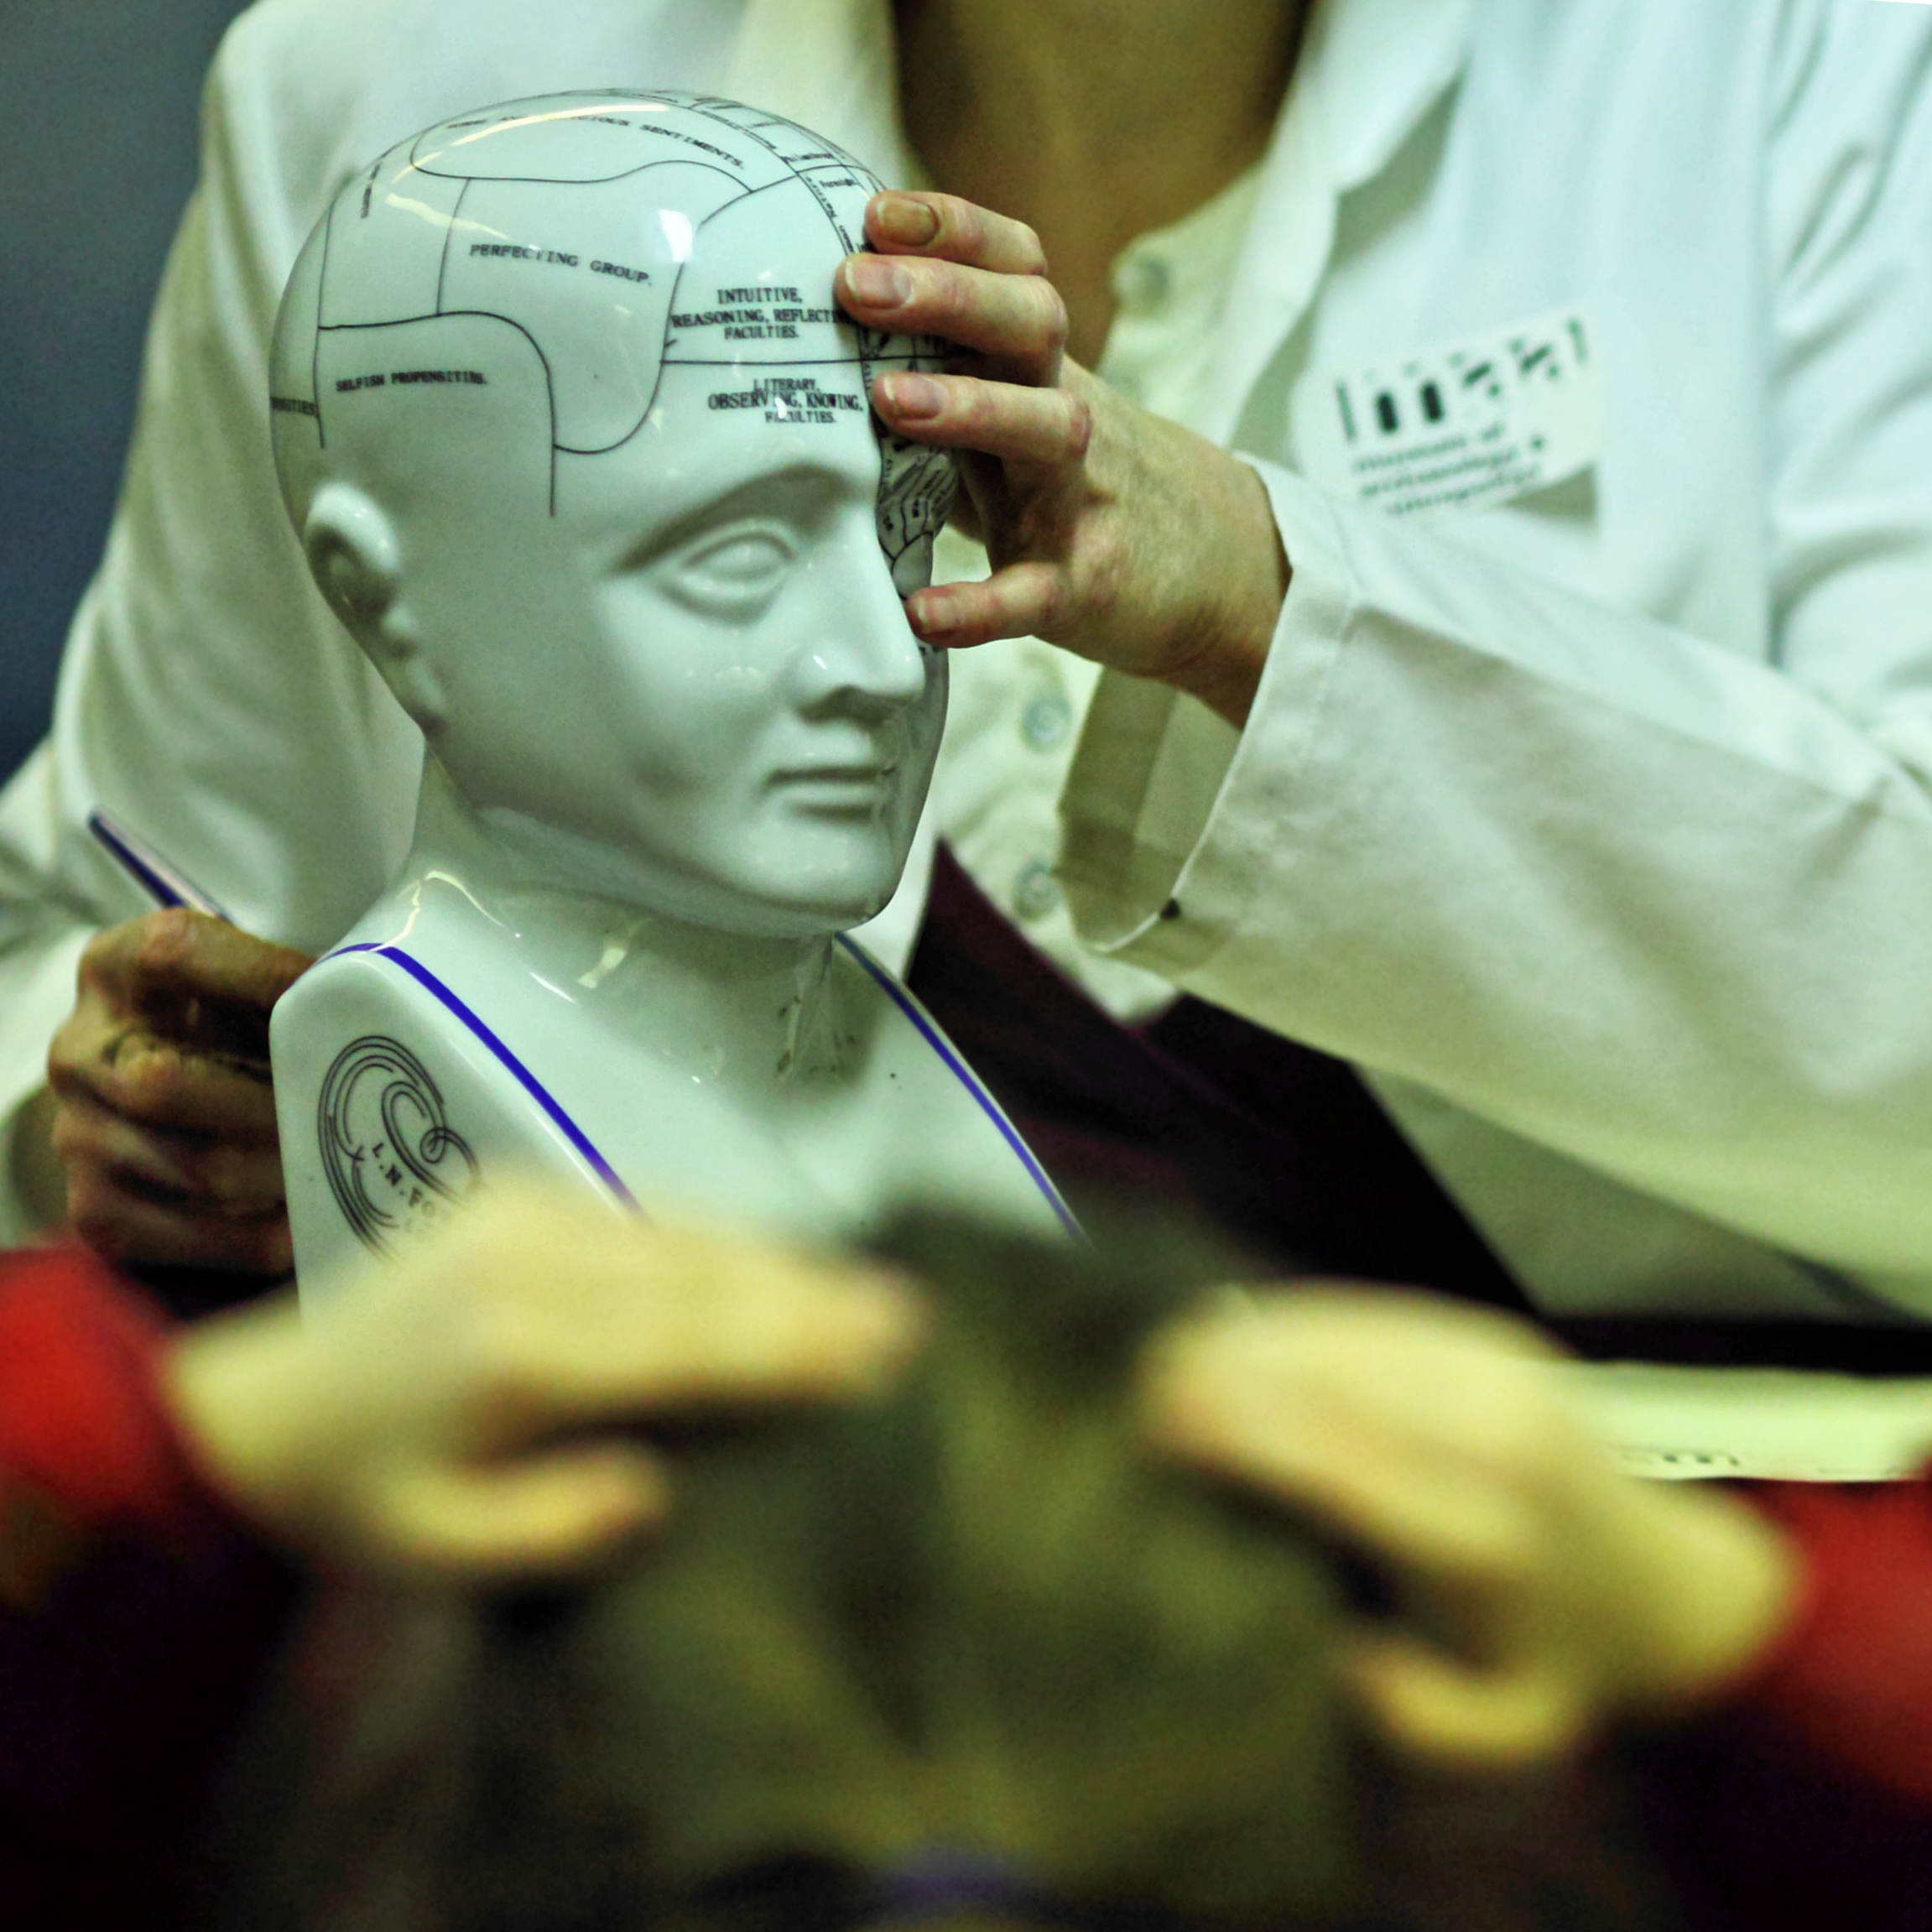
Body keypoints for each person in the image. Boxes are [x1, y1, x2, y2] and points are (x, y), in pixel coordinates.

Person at [8, 0, 1932, 1343]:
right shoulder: (398, 116)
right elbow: (99, 922)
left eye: (893, 532)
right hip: (675, 1571)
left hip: (1609, 1524)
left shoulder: (1797, 55)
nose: (866, 655)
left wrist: (1258, 598)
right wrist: (125, 1115)